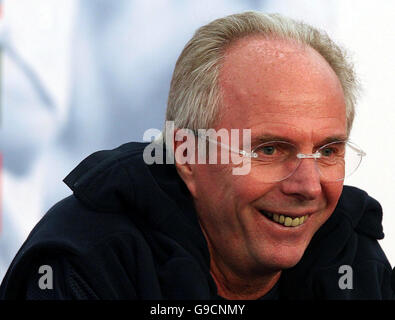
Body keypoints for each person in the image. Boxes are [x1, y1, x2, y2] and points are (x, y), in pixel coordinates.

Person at [1, 11, 394, 300]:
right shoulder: (87, 262)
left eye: (327, 151)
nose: (308, 187)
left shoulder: (350, 253)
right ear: (187, 154)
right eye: (270, 149)